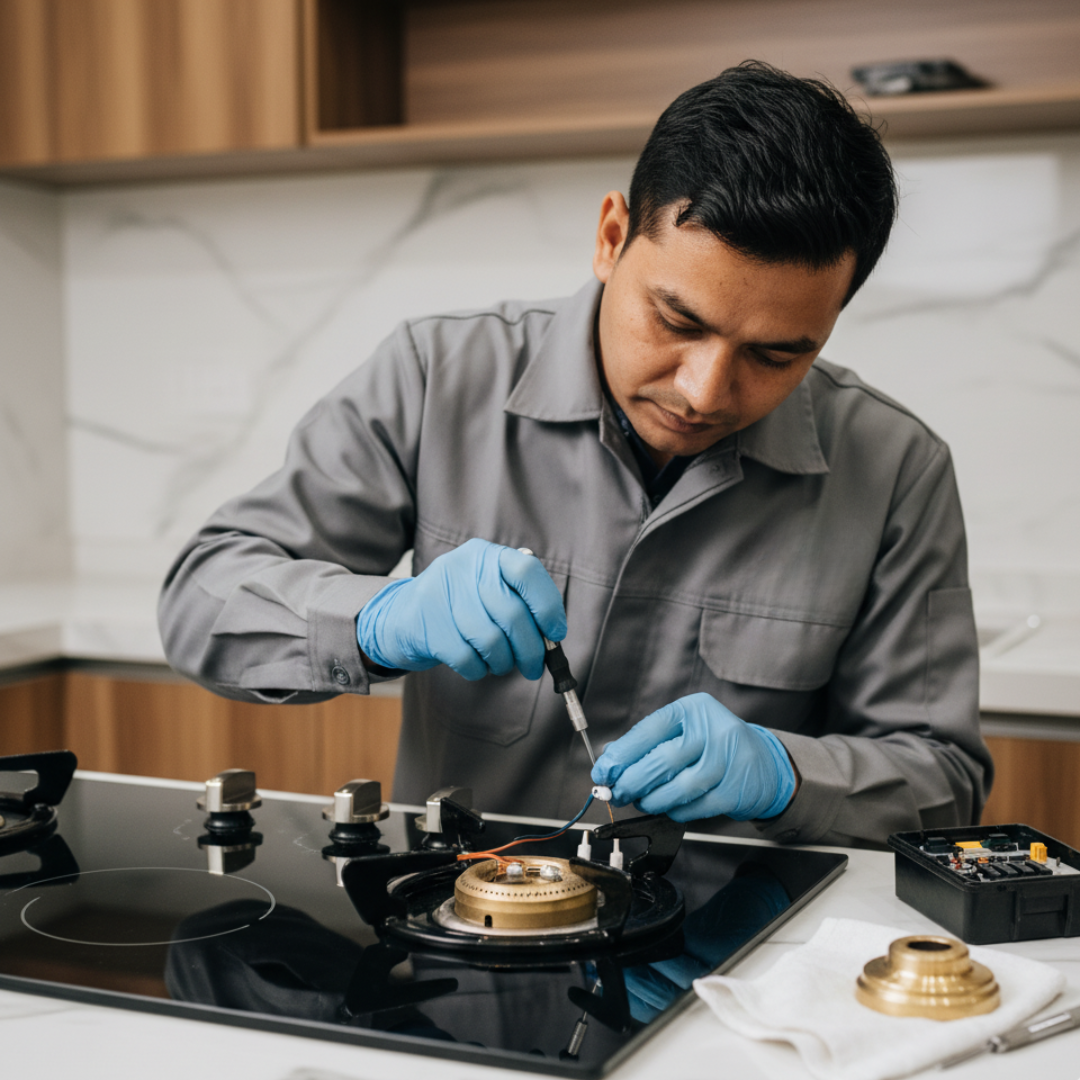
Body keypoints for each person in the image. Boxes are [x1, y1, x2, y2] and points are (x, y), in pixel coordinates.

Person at [159, 62, 992, 847]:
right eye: (677, 321)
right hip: (460, 932)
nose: (703, 390)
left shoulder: (894, 470)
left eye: (776, 355)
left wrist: (787, 775)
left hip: (741, 964)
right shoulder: (437, 378)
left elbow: (943, 782)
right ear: (611, 236)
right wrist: (380, 621)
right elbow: (202, 600)